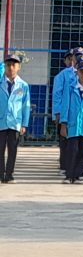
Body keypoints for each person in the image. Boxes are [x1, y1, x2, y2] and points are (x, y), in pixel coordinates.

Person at [0, 54, 31, 183]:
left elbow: (26, 106)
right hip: (1, 122)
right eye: (8, 65)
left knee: (12, 150)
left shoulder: (23, 85)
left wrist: (24, 124)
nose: (11, 68)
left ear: (19, 67)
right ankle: (1, 174)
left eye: (13, 65)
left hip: (15, 122)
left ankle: (9, 174)